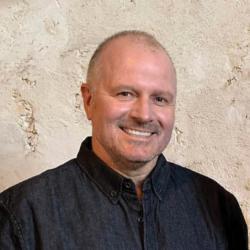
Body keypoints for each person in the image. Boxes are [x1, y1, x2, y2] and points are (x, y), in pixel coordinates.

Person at [0, 30, 248, 250]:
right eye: (125, 93)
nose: (144, 114)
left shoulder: (219, 208)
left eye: (160, 99)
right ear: (88, 100)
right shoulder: (21, 215)